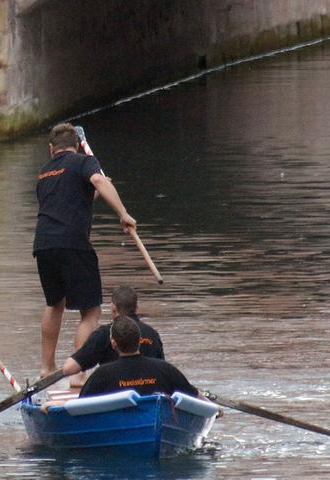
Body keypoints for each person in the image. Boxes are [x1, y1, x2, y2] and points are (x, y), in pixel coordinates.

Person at [34, 123, 137, 383]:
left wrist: (96, 189)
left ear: (51, 149)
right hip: (73, 243)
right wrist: (123, 214)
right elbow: (97, 180)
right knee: (90, 311)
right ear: (78, 145)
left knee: (54, 304)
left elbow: (73, 199)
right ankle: (78, 373)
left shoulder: (44, 173)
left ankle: (47, 368)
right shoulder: (84, 162)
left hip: (44, 243)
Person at [41, 315, 197, 412]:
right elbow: (194, 395)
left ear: (113, 344)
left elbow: (81, 404)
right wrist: (215, 409)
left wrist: (56, 404)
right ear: (139, 341)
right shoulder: (164, 369)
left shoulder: (102, 374)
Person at [61, 286, 163, 385]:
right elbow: (161, 368)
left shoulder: (103, 334)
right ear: (136, 308)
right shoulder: (152, 334)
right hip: (148, 391)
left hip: (114, 394)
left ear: (114, 308)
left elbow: (68, 368)